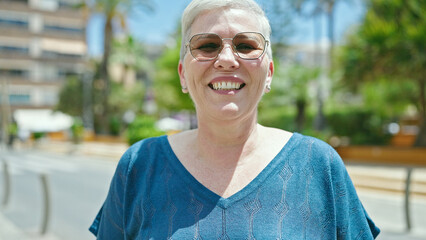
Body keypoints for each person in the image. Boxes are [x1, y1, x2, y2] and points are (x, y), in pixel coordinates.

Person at [89, 0, 380, 239]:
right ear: (182, 75)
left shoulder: (319, 166)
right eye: (206, 46)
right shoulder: (138, 166)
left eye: (245, 45)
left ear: (269, 73)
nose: (227, 58)